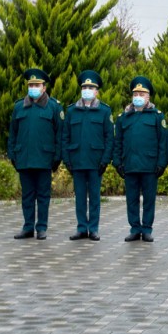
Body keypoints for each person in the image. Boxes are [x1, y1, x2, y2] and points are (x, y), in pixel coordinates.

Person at [8, 68, 64, 240]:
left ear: (44, 88)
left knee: (43, 196)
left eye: (36, 85)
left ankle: (41, 227)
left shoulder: (53, 107)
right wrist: (12, 156)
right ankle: (27, 227)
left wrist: (57, 158)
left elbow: (60, 135)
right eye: (31, 84)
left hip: (44, 159)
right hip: (24, 158)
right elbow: (13, 134)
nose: (33, 87)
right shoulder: (19, 107)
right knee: (27, 196)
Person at [113, 76, 167, 242]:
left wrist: (161, 163)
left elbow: (163, 142)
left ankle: (147, 229)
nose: (138, 97)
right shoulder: (124, 117)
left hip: (150, 166)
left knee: (149, 200)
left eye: (142, 94)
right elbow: (118, 142)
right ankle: (135, 228)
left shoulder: (157, 116)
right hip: (130, 164)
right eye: (135, 93)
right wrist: (117, 163)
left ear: (148, 96)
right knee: (132, 199)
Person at [62, 70, 114, 241]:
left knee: (94, 198)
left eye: (91, 87)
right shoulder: (71, 111)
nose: (87, 90)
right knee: (80, 198)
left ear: (97, 91)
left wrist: (105, 161)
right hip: (77, 161)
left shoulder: (104, 111)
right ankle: (81, 228)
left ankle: (93, 228)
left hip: (95, 162)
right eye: (85, 87)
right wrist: (67, 160)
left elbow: (109, 138)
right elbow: (65, 137)